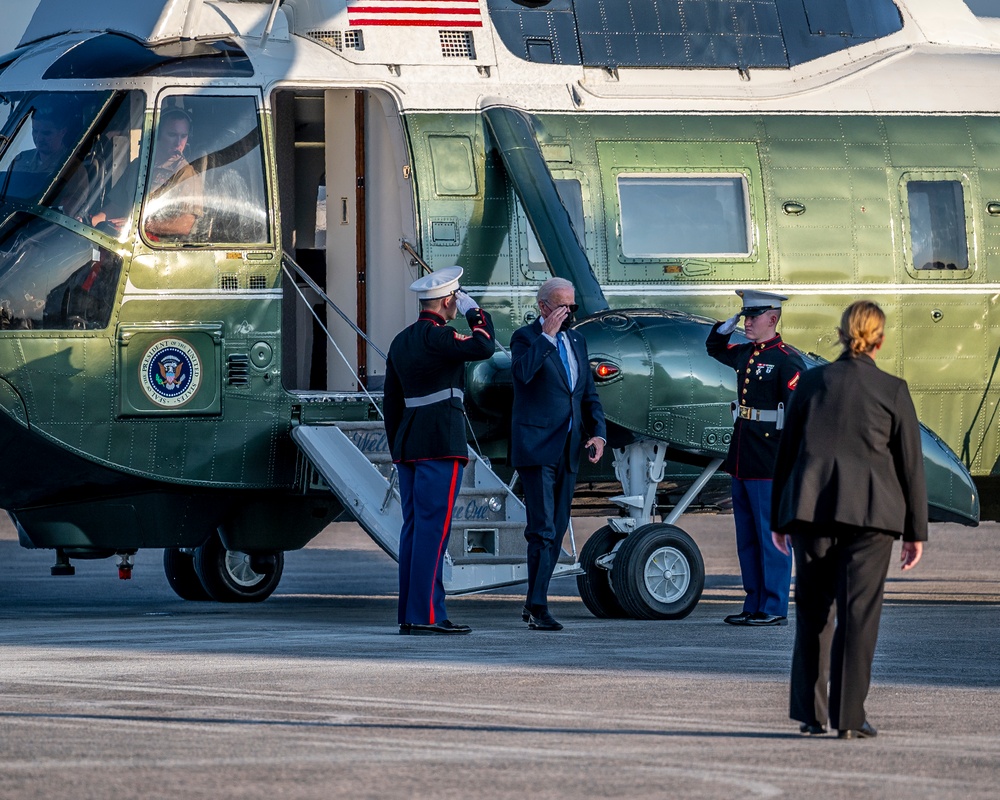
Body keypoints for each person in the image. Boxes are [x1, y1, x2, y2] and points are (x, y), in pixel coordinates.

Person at [771, 300, 926, 739]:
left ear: (842, 334)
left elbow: (788, 453)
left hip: (811, 510)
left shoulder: (812, 383)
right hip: (872, 516)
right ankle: (848, 718)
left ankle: (811, 714)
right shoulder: (893, 389)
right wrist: (915, 531)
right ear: (879, 338)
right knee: (859, 615)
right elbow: (910, 464)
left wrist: (779, 517)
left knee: (814, 612)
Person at [383, 266, 495, 635]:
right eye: (455, 300)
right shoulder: (439, 336)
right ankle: (428, 615)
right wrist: (475, 313)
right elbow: (484, 346)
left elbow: (392, 404)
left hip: (409, 443)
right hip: (439, 443)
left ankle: (411, 614)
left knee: (415, 530)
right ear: (449, 301)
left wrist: (397, 445)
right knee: (434, 530)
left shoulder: (401, 341)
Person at [510, 277, 606, 631]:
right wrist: (547, 338)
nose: (568, 313)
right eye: (562, 306)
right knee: (543, 528)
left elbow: (587, 393)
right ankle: (538, 606)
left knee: (558, 527)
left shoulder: (578, 341)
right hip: (536, 447)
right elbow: (521, 373)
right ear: (544, 307)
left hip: (568, 447)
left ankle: (534, 599)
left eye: (573, 307)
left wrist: (598, 433)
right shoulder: (526, 338)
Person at [706, 289, 804, 626]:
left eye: (753, 316)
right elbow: (715, 348)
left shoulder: (787, 359)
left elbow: (797, 417)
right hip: (743, 457)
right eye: (745, 315)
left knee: (770, 537)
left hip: (770, 460)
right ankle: (754, 602)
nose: (747, 322)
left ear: (772, 319)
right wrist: (725, 326)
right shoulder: (746, 353)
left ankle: (774, 606)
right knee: (747, 538)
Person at [1, 105, 89, 218]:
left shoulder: (72, 168)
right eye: (35, 131)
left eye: (46, 133)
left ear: (63, 132)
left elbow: (69, 212)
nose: (38, 138)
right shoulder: (21, 159)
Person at [141, 107, 204, 240]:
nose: (179, 142)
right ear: (157, 135)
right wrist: (92, 221)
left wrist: (139, 225)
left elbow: (185, 224)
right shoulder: (140, 166)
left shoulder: (186, 173)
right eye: (172, 135)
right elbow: (115, 205)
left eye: (183, 136)